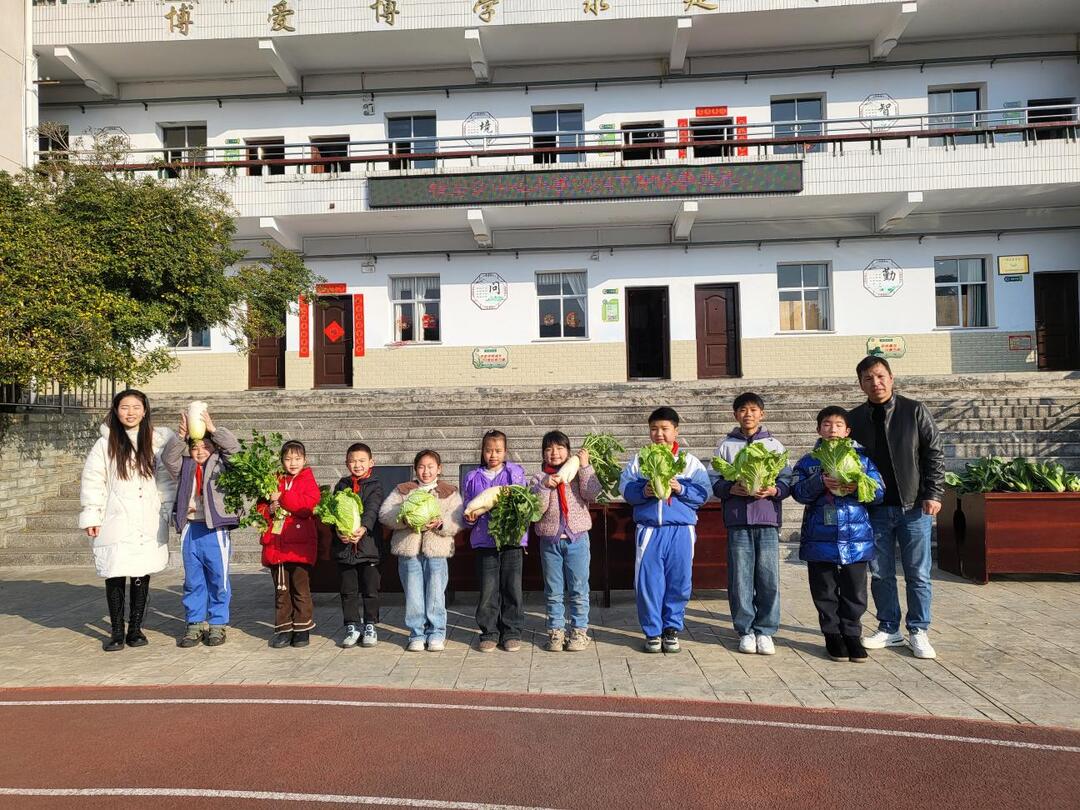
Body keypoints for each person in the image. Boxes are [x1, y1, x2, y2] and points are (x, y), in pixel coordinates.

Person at [847, 356, 944, 660]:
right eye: (867, 378)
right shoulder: (855, 418)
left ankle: (918, 629)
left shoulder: (914, 410)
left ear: (891, 377)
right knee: (880, 573)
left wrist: (934, 493)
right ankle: (889, 627)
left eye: (879, 376)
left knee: (918, 573)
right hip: (874, 510)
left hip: (913, 506)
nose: (875, 383)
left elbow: (934, 454)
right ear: (860, 383)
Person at [78, 389, 177, 652]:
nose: (130, 412)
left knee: (140, 573)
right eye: (124, 407)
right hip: (115, 517)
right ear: (116, 410)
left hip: (147, 517)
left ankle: (135, 628)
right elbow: (93, 480)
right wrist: (92, 513)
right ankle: (116, 631)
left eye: (135, 407)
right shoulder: (105, 444)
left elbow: (165, 480)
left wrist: (167, 509)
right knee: (114, 572)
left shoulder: (155, 442)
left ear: (145, 411)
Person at [790, 406, 884, 663]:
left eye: (838, 425)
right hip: (820, 538)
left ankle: (852, 634)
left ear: (847, 431)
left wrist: (857, 487)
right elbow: (798, 493)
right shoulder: (809, 461)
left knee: (855, 591)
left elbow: (879, 494)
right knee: (824, 591)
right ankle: (832, 635)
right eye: (827, 424)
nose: (832, 429)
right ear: (819, 429)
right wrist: (819, 482)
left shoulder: (862, 460)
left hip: (856, 538)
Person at [619, 407, 710, 654]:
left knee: (679, 582)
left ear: (676, 430)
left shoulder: (689, 462)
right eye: (654, 429)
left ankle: (672, 629)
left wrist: (681, 488)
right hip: (650, 531)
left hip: (681, 531)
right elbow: (625, 489)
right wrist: (643, 492)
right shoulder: (639, 460)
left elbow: (703, 493)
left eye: (664, 428)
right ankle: (652, 631)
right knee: (649, 583)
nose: (659, 434)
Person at [712, 392, 792, 656]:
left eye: (754, 410)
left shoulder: (774, 445)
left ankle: (766, 631)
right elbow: (714, 482)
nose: (748, 414)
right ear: (735, 415)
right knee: (740, 578)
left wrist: (773, 490)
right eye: (743, 410)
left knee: (768, 578)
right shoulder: (726, 446)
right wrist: (730, 488)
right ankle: (745, 630)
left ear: (762, 414)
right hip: (737, 521)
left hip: (767, 520)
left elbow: (787, 480)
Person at [161, 406, 241, 648]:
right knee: (193, 579)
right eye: (195, 447)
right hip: (191, 528)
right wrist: (181, 437)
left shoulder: (221, 465)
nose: (199, 451)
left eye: (205, 447)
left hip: (214, 529)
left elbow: (236, 453)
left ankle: (217, 624)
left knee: (218, 578)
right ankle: (194, 623)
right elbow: (168, 459)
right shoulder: (185, 466)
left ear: (214, 448)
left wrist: (214, 430)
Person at [379, 449, 463, 652]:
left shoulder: (450, 491)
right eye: (421, 467)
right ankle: (416, 633)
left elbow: (458, 520)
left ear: (439, 469)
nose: (426, 471)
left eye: (431, 467)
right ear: (416, 469)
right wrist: (404, 518)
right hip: (409, 551)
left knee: (436, 592)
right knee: (414, 594)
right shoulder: (403, 490)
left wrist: (441, 523)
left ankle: (436, 632)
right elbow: (385, 514)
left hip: (437, 550)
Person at [529, 431, 602, 652]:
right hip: (550, 542)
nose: (555, 453)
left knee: (579, 587)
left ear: (568, 452)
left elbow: (592, 493)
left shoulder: (577, 475)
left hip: (577, 539)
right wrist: (544, 487)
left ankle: (579, 631)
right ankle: (555, 632)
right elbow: (537, 511)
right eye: (549, 449)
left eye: (560, 448)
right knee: (554, 589)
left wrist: (585, 465)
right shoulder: (537, 479)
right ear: (543, 453)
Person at [463, 430, 527, 653]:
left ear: (505, 451)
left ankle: (511, 631)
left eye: (498, 450)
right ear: (482, 451)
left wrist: (510, 496)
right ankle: (489, 632)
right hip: (484, 540)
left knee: (512, 587)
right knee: (488, 589)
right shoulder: (472, 477)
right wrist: (469, 517)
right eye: (489, 450)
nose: (493, 455)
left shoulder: (515, 473)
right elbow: (468, 507)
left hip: (511, 539)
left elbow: (522, 502)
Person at [258, 440, 321, 649]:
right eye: (288, 459)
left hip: (299, 546)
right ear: (281, 460)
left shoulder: (308, 480)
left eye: (297, 458)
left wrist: (282, 497)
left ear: (305, 459)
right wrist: (270, 509)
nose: (292, 463)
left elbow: (306, 507)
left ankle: (302, 630)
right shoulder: (274, 479)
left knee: (300, 589)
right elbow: (261, 507)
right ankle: (284, 630)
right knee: (281, 590)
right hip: (276, 544)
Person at [329, 443, 385, 649]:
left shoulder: (376, 484)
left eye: (362, 461)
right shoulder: (341, 485)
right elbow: (333, 512)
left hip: (368, 548)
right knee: (348, 591)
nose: (357, 465)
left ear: (371, 462)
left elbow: (373, 508)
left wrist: (363, 527)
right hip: (344, 548)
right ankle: (351, 625)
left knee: (371, 590)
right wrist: (337, 530)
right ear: (346, 463)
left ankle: (370, 625)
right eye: (353, 461)